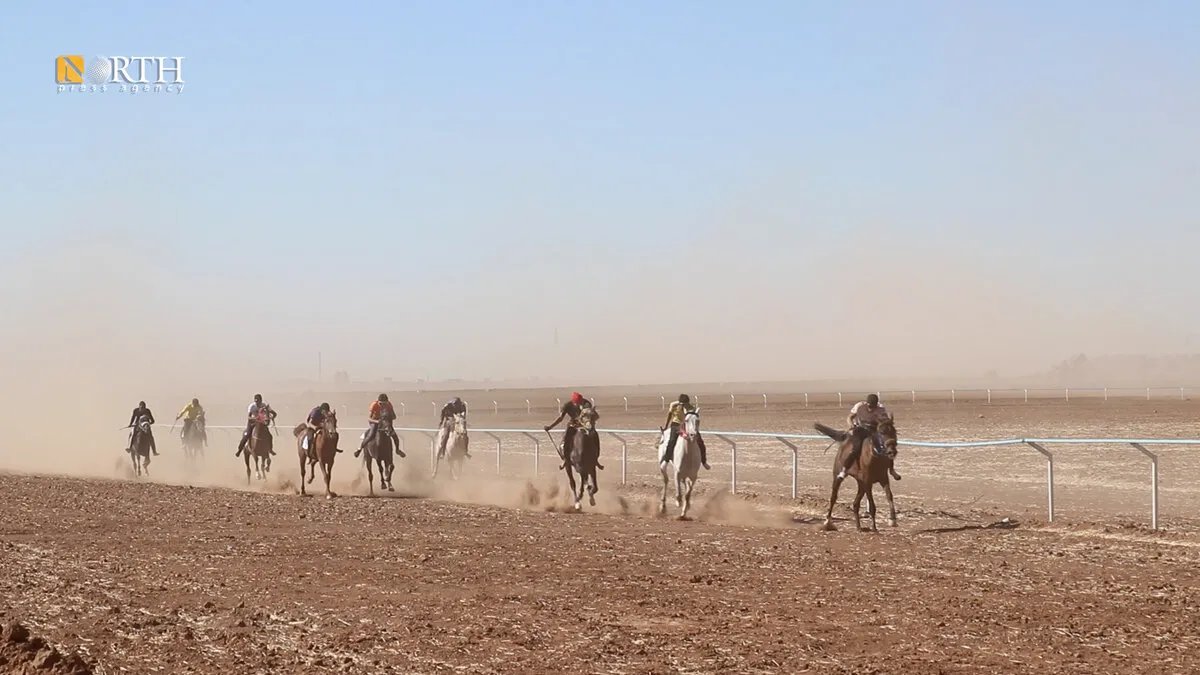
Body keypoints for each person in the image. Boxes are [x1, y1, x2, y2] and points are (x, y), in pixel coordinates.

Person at [836, 394, 901, 481]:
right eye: (870, 406)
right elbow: (850, 417)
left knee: (887, 448)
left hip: (874, 431)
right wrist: (851, 425)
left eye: (873, 406)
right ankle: (844, 470)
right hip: (860, 430)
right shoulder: (860, 407)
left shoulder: (880, 409)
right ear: (867, 403)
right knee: (855, 448)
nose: (871, 408)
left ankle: (891, 470)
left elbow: (884, 421)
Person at [544, 392, 604, 470]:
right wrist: (550, 427)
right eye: (579, 402)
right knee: (566, 440)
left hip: (585, 425)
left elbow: (592, 416)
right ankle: (565, 459)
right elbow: (560, 418)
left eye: (581, 401)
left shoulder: (587, 403)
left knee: (594, 436)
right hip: (573, 425)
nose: (581, 403)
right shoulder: (567, 405)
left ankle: (595, 460)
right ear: (574, 402)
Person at [659, 394, 710, 470]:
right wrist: (666, 426)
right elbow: (669, 415)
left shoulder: (692, 408)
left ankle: (704, 461)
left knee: (700, 442)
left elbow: (694, 419)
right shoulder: (674, 405)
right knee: (672, 440)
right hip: (676, 424)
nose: (683, 406)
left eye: (684, 404)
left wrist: (695, 430)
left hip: (687, 425)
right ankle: (666, 460)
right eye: (682, 404)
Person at [358, 394, 404, 458]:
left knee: (394, 435)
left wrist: (389, 417)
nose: (383, 405)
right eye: (381, 404)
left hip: (385, 422)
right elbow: (369, 418)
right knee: (371, 434)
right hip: (374, 421)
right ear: (378, 402)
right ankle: (359, 449)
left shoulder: (389, 405)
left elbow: (394, 416)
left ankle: (397, 450)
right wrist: (377, 421)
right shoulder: (374, 405)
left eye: (385, 404)